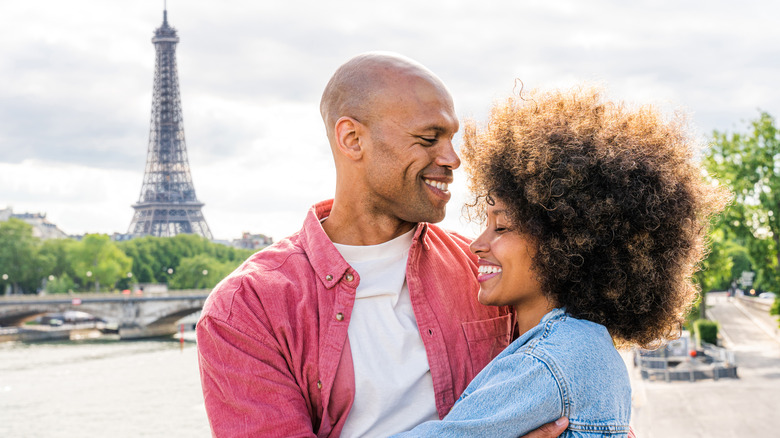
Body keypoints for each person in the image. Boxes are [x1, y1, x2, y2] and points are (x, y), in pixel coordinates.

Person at [196, 53, 569, 437]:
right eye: (429, 139)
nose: (453, 158)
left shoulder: (486, 268)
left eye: (451, 138)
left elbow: (578, 393)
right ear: (352, 140)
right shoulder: (244, 310)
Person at [392, 87, 728, 436]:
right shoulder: (587, 345)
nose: (477, 244)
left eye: (501, 226)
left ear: (564, 243)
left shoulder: (550, 361)